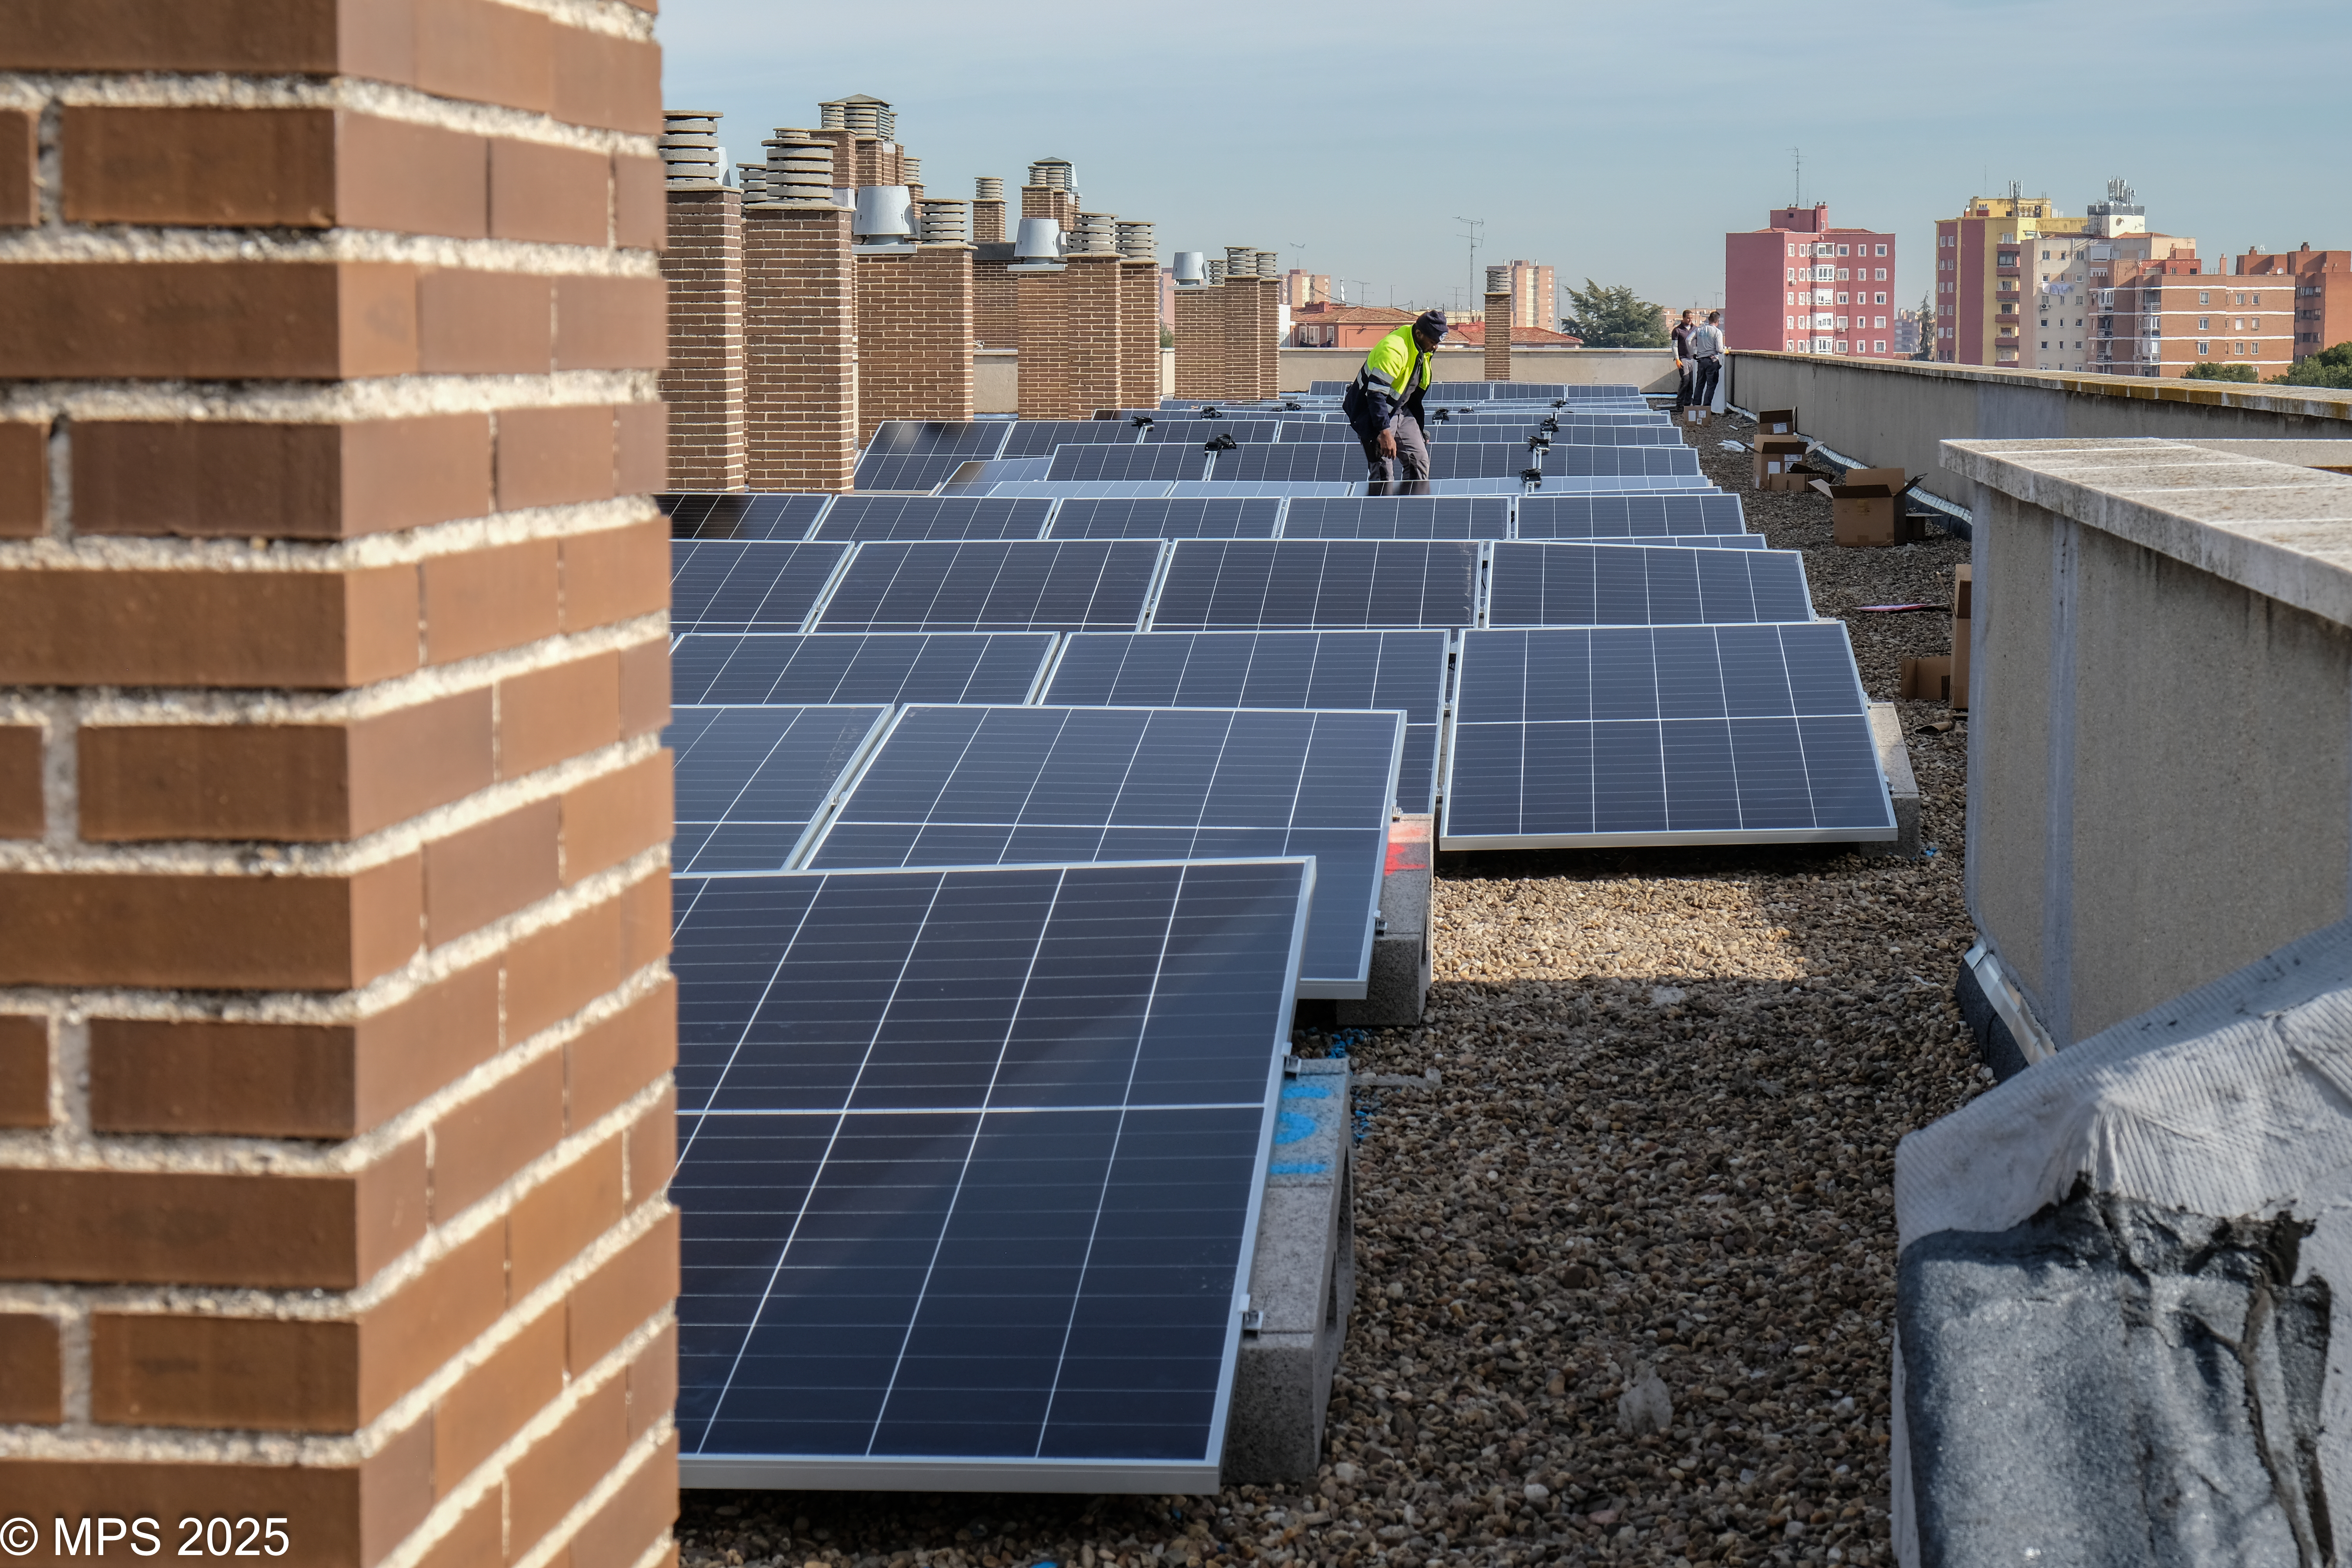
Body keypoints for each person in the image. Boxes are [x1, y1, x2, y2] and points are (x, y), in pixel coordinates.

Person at [1343, 309, 1446, 495]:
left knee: (1419, 460)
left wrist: (1418, 428)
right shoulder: (1394, 349)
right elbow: (1375, 395)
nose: (1435, 347)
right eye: (1433, 342)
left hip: (1401, 409)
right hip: (1373, 411)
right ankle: (1382, 517)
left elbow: (1412, 392)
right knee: (1384, 475)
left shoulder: (1423, 349)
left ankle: (1410, 514)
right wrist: (1384, 433)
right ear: (1419, 334)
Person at [1688, 310, 1726, 419]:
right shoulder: (1717, 332)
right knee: (1711, 385)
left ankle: (1696, 408)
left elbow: (1688, 339)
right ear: (1718, 322)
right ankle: (1706, 409)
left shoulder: (1699, 330)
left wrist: (1693, 352)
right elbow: (1719, 349)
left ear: (1709, 320)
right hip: (1712, 361)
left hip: (1701, 361)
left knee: (1700, 384)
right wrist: (1724, 351)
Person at [1670, 309, 1698, 410]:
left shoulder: (1696, 329)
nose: (1690, 320)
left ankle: (1687, 404)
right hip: (1683, 359)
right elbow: (1674, 346)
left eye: (1691, 318)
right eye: (1688, 318)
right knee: (1686, 380)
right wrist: (1677, 359)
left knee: (1692, 382)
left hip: (1693, 359)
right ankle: (1680, 404)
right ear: (1684, 318)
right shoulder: (1677, 330)